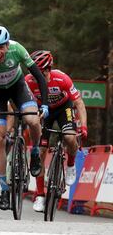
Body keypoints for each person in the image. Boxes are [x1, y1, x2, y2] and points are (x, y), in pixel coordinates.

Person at [0, 26, 49, 211]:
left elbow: (39, 77)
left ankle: (36, 152)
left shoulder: (18, 49)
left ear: (7, 45)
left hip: (18, 88)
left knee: (32, 120)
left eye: (1, 47)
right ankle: (4, 188)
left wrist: (44, 104)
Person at [25, 50, 88, 212]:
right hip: (43, 111)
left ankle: (71, 165)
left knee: (69, 137)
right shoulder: (29, 81)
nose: (33, 75)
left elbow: (79, 103)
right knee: (41, 150)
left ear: (47, 69)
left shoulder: (62, 79)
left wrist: (84, 126)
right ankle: (40, 195)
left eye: (37, 71)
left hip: (63, 109)